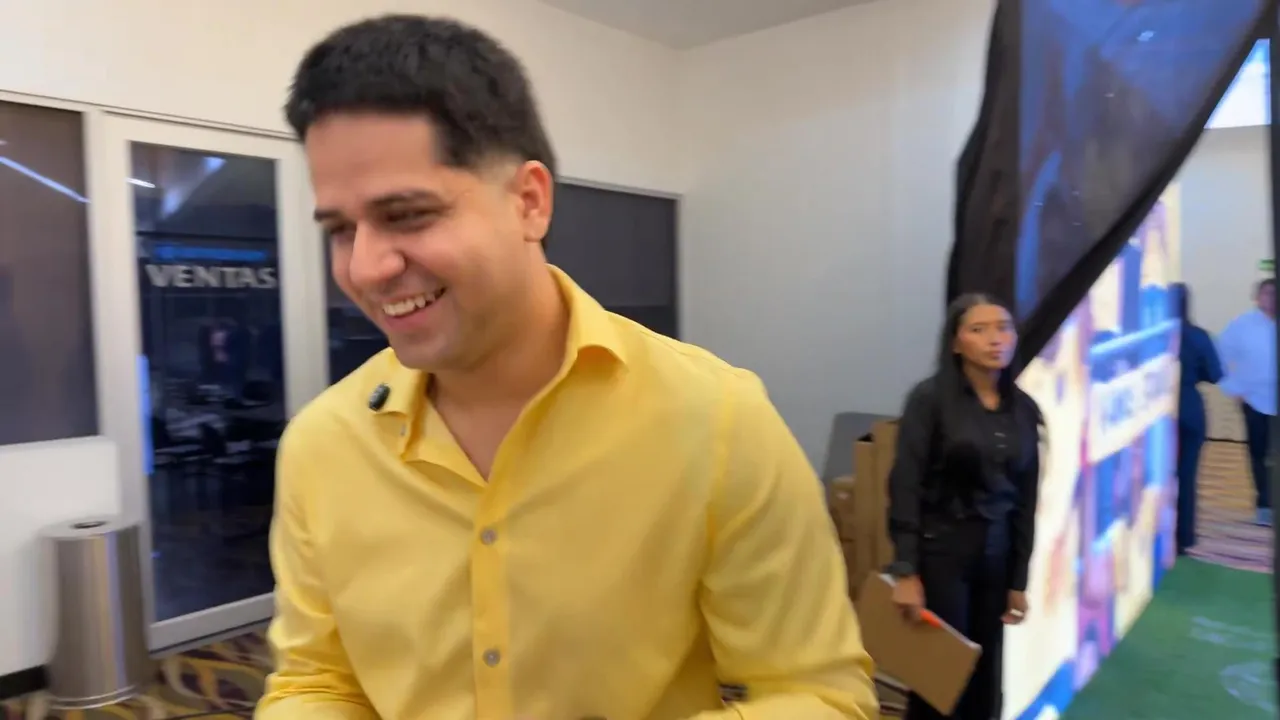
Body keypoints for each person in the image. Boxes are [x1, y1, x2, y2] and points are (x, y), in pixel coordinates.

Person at [257, 15, 878, 720]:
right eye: (341, 230)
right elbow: (315, 683)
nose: (366, 267)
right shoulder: (322, 446)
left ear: (529, 202)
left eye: (407, 215)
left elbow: (821, 696)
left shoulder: (716, 420)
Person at [886, 293, 1043, 720]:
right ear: (956, 343)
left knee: (986, 674)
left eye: (1003, 327)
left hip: (996, 555)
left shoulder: (1023, 409)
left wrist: (1018, 579)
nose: (995, 338)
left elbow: (1025, 498)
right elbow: (905, 484)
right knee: (940, 677)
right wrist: (905, 570)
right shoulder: (929, 401)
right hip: (942, 554)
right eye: (979, 329)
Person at [1218, 277, 1276, 526]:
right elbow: (1218, 357)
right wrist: (1233, 389)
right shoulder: (1242, 325)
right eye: (1267, 293)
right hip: (1254, 402)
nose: (1271, 298)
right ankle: (1264, 505)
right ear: (1257, 297)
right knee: (1259, 455)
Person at [1172, 283, 1222, 552]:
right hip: (1190, 407)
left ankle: (1156, 535)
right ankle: (1184, 538)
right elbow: (1216, 375)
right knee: (1187, 475)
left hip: (1160, 410)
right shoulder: (1199, 336)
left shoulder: (1157, 337)